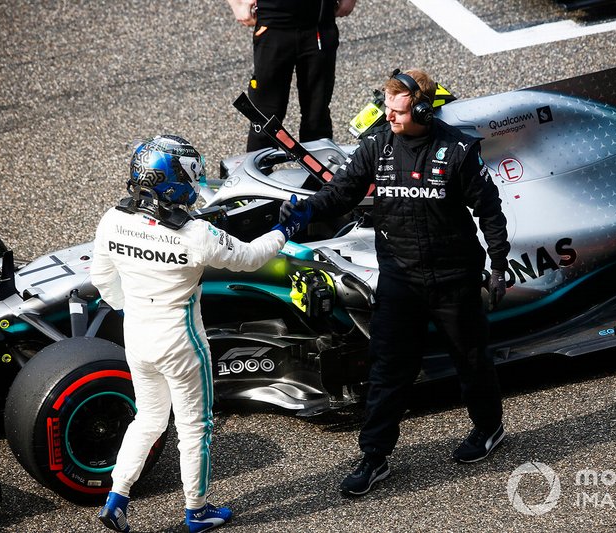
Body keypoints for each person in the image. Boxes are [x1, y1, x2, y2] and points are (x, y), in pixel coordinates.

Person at [279, 69, 511, 497]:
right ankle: (374, 456)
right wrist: (306, 211)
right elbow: (343, 190)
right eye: (385, 107)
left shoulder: (458, 150)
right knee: (386, 370)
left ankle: (489, 428)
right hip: (400, 280)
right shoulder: (378, 144)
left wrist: (499, 263)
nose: (388, 116)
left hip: (453, 279)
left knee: (472, 360)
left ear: (422, 109)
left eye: (398, 110)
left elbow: (490, 210)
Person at [92, 134, 308, 532]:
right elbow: (251, 256)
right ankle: (197, 511)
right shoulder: (196, 236)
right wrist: (287, 228)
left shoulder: (112, 219)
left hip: (137, 334)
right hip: (181, 341)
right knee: (195, 427)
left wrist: (132, 307)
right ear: (173, 180)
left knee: (149, 419)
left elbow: (102, 280)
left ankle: (116, 498)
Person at [227, 0, 356, 152]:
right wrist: (237, 3)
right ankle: (257, 174)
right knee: (265, 116)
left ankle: (316, 175)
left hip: (318, 26)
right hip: (273, 24)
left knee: (317, 116)